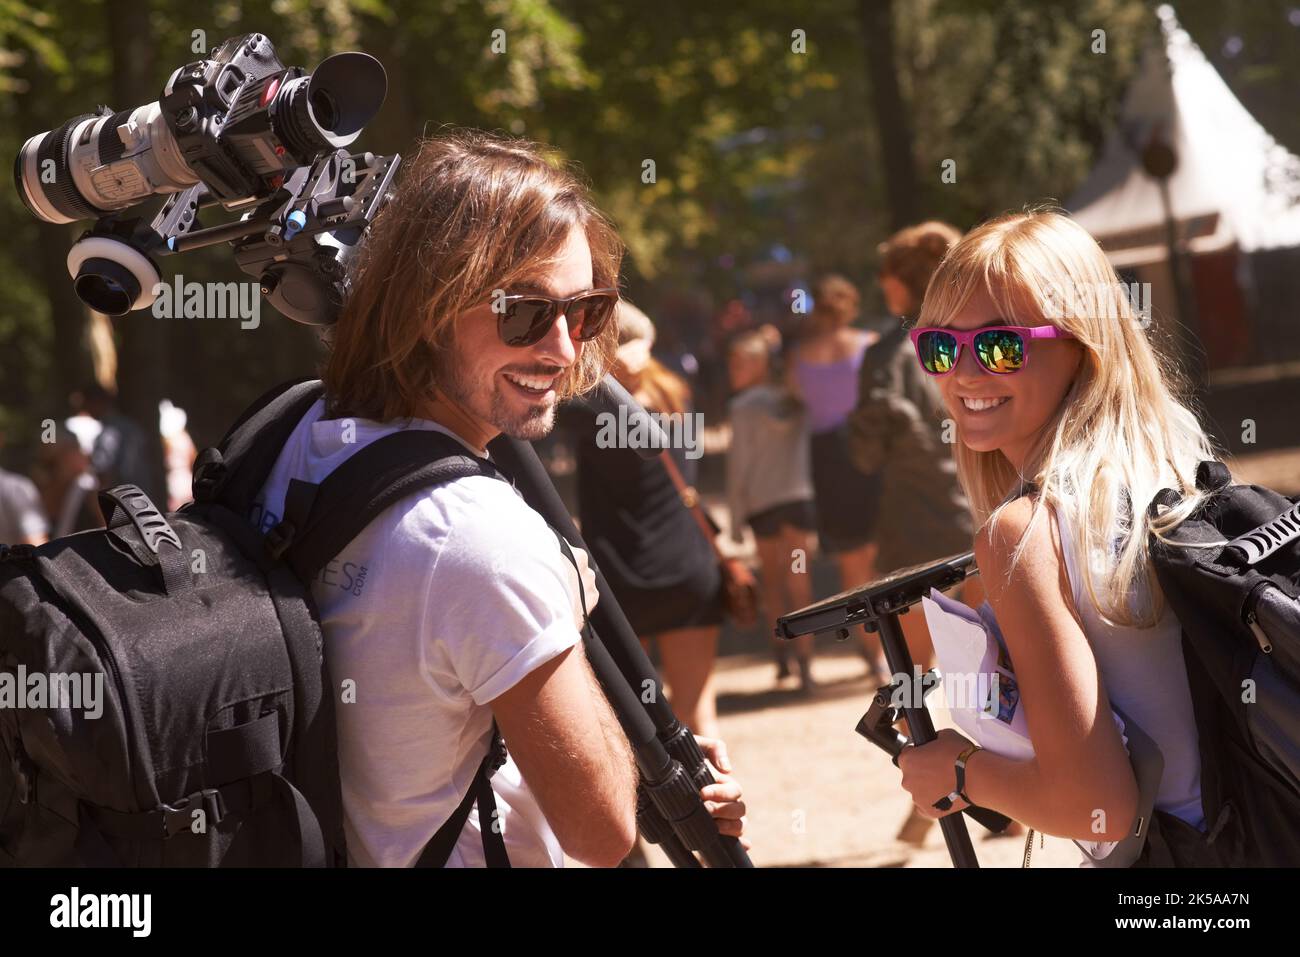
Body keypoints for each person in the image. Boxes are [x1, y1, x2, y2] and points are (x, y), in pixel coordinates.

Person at [251, 130, 746, 867]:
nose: (564, 349)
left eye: (586, 312)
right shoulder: (481, 535)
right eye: (524, 312)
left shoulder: (290, 433)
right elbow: (603, 832)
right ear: (429, 304)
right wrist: (608, 729)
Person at [894, 210, 1223, 866]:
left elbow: (1095, 805)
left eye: (1000, 345)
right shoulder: (1176, 451)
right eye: (939, 346)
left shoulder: (1024, 532)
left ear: (1084, 341)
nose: (962, 373)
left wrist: (958, 769)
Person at [568, 301, 728, 739]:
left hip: (620, 582)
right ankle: (723, 807)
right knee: (700, 719)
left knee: (635, 728)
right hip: (688, 570)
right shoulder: (676, 393)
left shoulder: (585, 411)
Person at [788, 274, 888, 679]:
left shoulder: (799, 356)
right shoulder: (867, 345)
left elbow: (795, 399)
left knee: (851, 558)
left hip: (826, 456)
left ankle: (869, 649)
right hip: (867, 450)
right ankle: (884, 651)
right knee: (880, 552)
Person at [725, 330, 817, 689]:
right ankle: (807, 664)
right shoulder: (795, 402)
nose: (731, 369)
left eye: (739, 363)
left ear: (759, 364)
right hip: (797, 500)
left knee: (774, 584)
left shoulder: (742, 408)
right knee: (801, 582)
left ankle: (782, 656)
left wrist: (735, 518)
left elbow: (739, 466)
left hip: (763, 506)